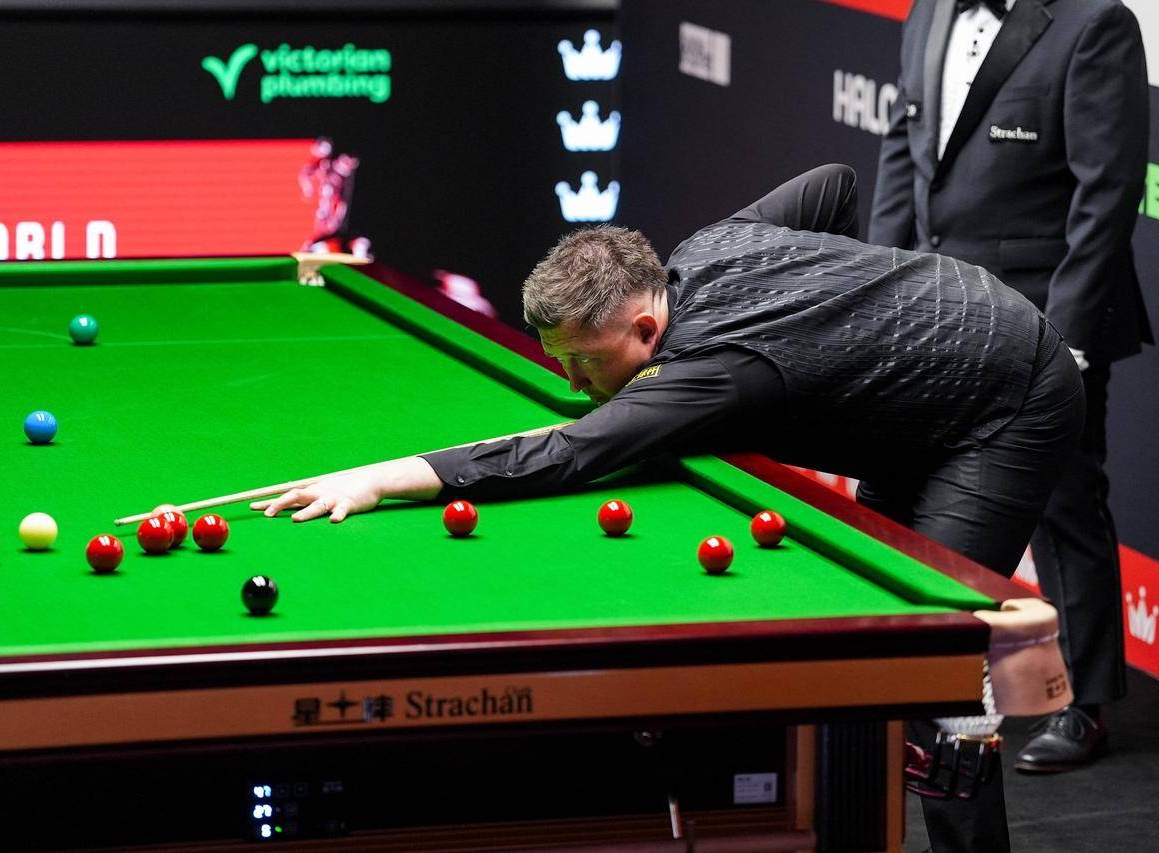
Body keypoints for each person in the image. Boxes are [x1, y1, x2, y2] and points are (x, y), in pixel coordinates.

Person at [253, 164, 1083, 852]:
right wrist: (850, 300)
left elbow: (571, 452)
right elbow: (832, 184)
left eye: (584, 363)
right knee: (872, 654)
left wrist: (387, 477)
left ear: (649, 329)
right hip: (920, 395)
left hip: (1005, 398)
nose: (572, 384)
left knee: (934, 671)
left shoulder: (706, 371)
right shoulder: (706, 248)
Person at [869, 0, 1150, 788]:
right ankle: (916, 676)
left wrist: (1066, 338)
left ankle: (1083, 702)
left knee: (1064, 503)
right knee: (919, 490)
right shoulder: (928, 11)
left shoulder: (1094, 23)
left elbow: (1107, 192)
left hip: (1042, 316)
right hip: (937, 304)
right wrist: (876, 288)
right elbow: (903, 153)